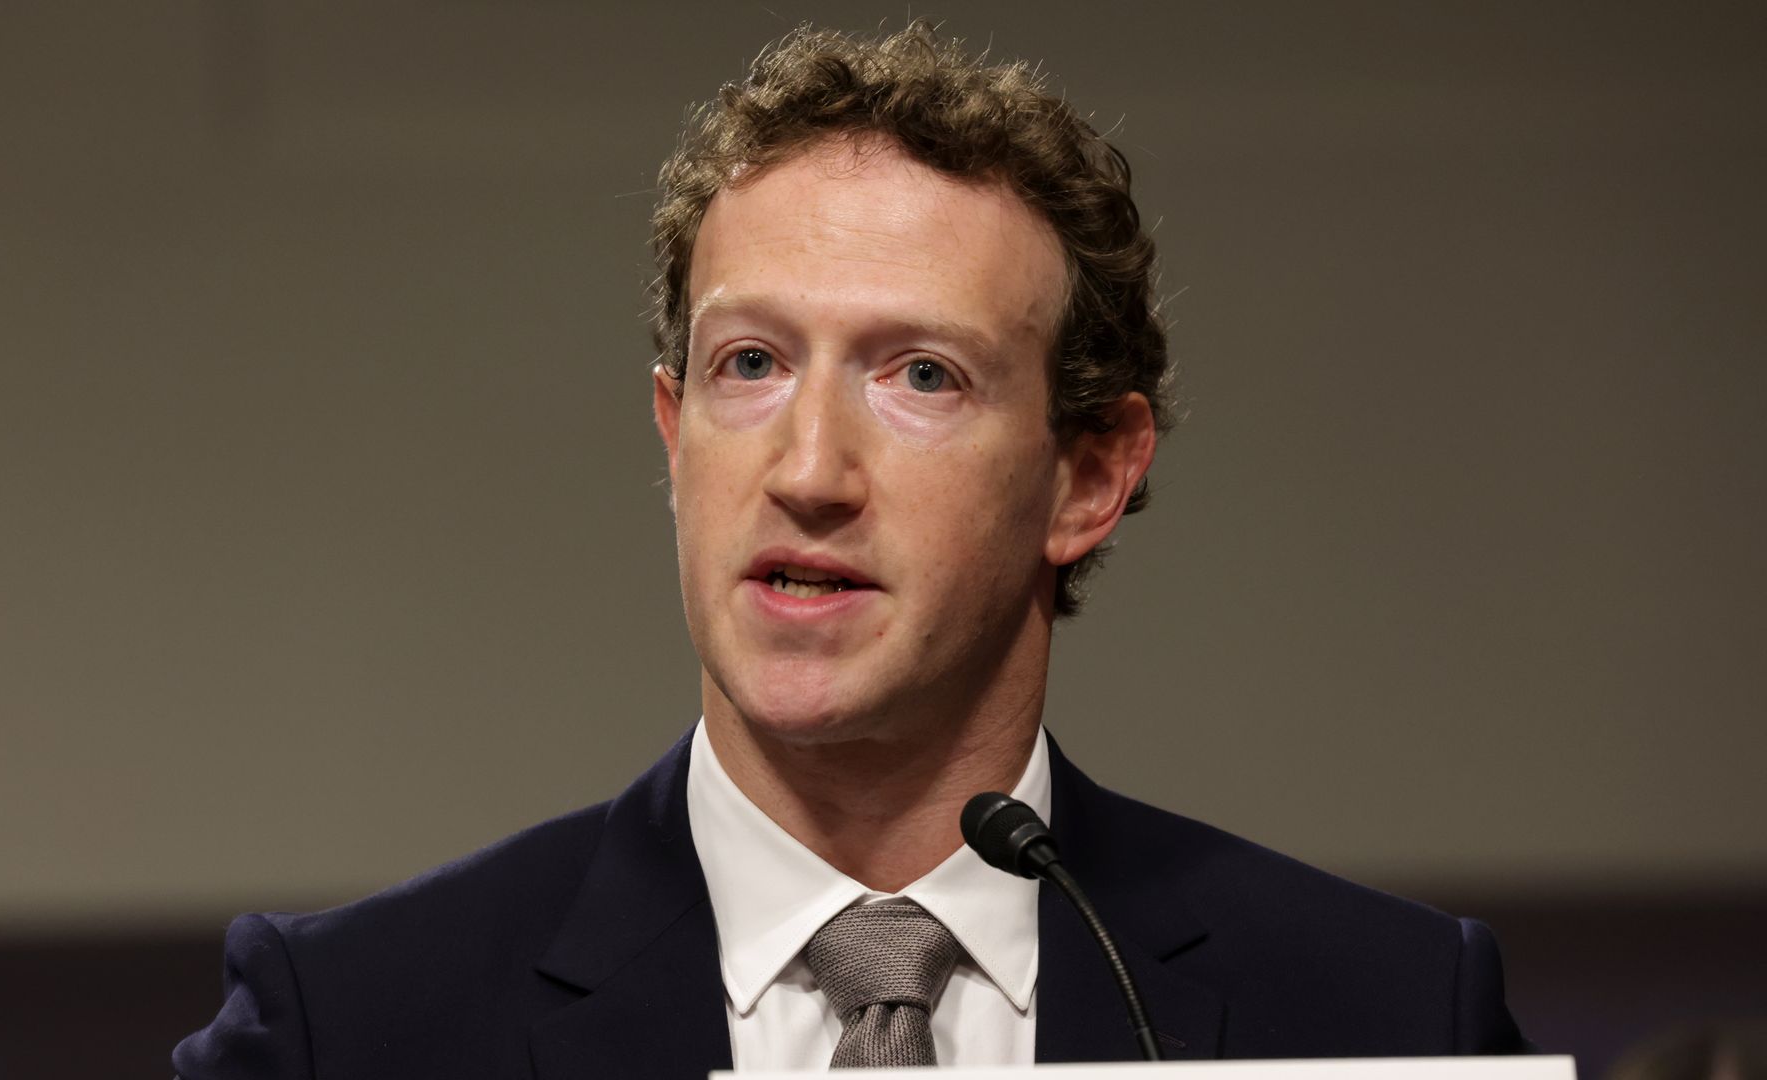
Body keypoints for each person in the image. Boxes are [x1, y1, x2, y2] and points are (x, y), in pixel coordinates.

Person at [174, 23, 1530, 1077]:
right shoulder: (352, 1031)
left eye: (923, 377)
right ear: (672, 429)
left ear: (1091, 474)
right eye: (749, 364)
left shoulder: (1386, 1013)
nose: (809, 472)